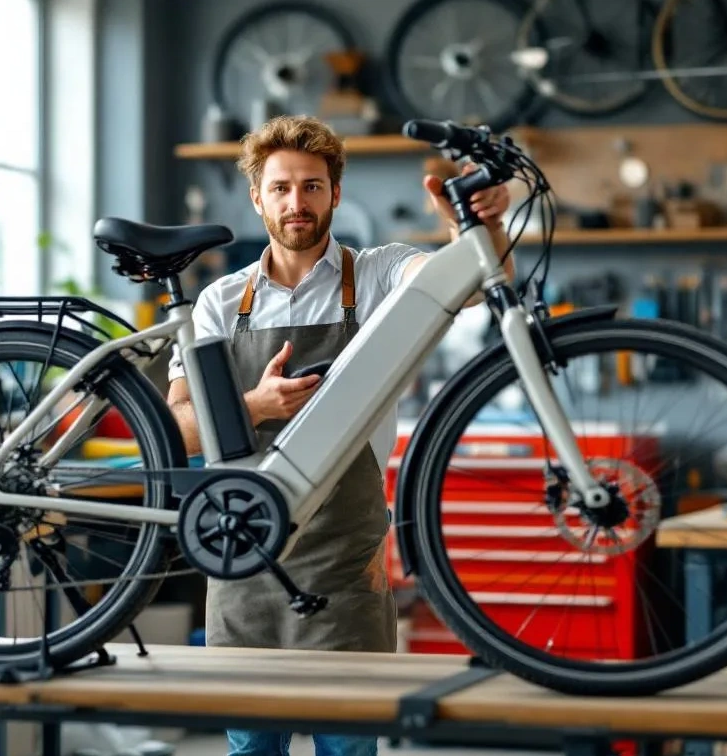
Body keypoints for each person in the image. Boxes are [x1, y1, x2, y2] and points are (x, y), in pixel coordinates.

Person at [164, 114, 511, 756]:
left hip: (345, 563)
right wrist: (253, 406)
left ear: (336, 193)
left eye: (313, 187)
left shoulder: (379, 274)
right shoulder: (217, 302)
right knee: (250, 751)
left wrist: (481, 224)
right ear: (257, 197)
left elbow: (466, 287)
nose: (297, 203)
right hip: (244, 562)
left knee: (349, 749)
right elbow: (179, 432)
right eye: (282, 188)